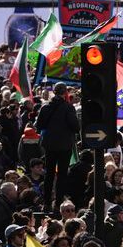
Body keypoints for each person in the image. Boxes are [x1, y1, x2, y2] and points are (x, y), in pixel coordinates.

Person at [35, 82, 80, 210]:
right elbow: (75, 127)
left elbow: (39, 126)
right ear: (65, 92)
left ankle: (47, 202)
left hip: (50, 145)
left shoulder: (45, 107)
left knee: (49, 174)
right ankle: (59, 202)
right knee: (62, 175)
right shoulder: (68, 107)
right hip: (65, 146)